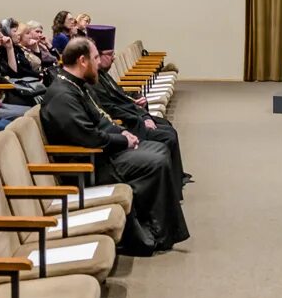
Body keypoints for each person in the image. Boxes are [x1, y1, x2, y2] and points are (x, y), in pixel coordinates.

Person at [41, 37, 189, 256]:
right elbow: (88, 137)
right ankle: (153, 234)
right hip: (87, 165)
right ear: (82, 60)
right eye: (94, 58)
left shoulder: (75, 86)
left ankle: (157, 227)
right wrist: (123, 140)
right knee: (154, 161)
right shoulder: (62, 95)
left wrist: (122, 132)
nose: (98, 62)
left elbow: (100, 120)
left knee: (159, 149)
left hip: (100, 154)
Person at [87, 24, 192, 196]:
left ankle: (175, 179)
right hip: (126, 124)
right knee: (166, 135)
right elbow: (110, 109)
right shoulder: (92, 82)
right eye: (109, 55)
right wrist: (141, 117)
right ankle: (171, 186)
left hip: (132, 116)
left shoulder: (103, 74)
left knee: (166, 126)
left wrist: (139, 107)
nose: (113, 58)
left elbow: (120, 96)